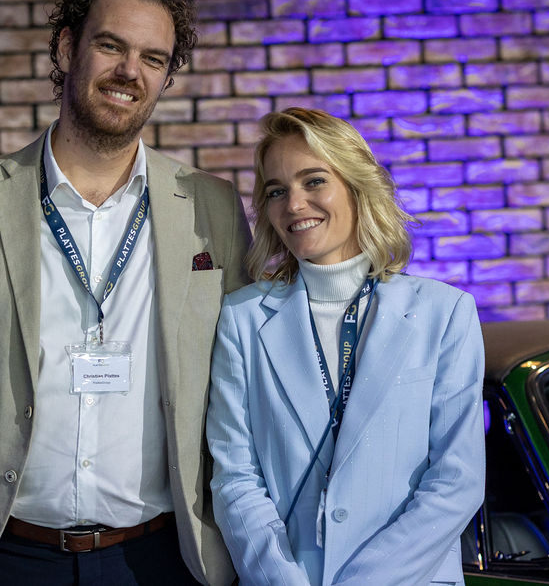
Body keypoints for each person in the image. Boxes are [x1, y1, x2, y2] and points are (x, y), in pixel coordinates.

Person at [0, 0, 250, 586]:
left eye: (153, 58)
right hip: (0, 558)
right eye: (111, 46)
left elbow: (246, 387)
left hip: (162, 559)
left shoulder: (211, 207)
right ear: (67, 47)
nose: (130, 71)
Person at [206, 107, 484, 585]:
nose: (294, 204)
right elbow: (236, 476)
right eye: (276, 191)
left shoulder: (445, 313)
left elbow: (457, 480)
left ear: (357, 187)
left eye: (314, 181)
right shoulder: (242, 318)